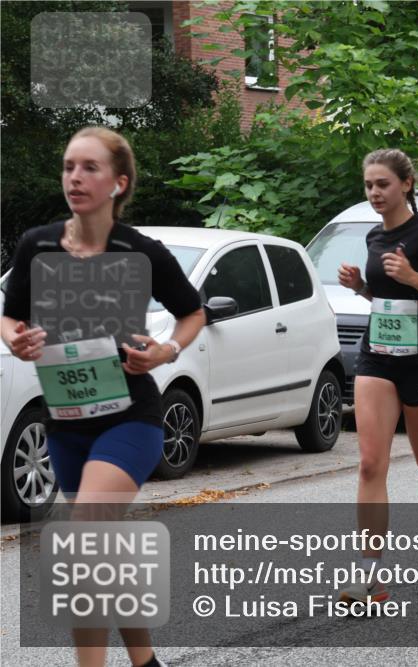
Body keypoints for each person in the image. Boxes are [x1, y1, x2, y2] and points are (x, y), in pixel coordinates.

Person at [1, 126, 205, 667]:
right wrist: (15, 340)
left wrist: (164, 352)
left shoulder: (141, 251)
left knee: (85, 536)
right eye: (69, 166)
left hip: (131, 417)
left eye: (89, 167)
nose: (74, 177)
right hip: (64, 421)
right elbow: (10, 314)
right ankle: (145, 661)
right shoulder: (37, 245)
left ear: (119, 182)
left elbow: (193, 313)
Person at [337, 149, 418, 601]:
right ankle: (370, 575)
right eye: (369, 185)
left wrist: (414, 277)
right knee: (371, 462)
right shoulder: (374, 236)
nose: (375, 192)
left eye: (383, 184)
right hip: (378, 354)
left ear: (406, 184)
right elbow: (385, 293)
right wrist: (362, 288)